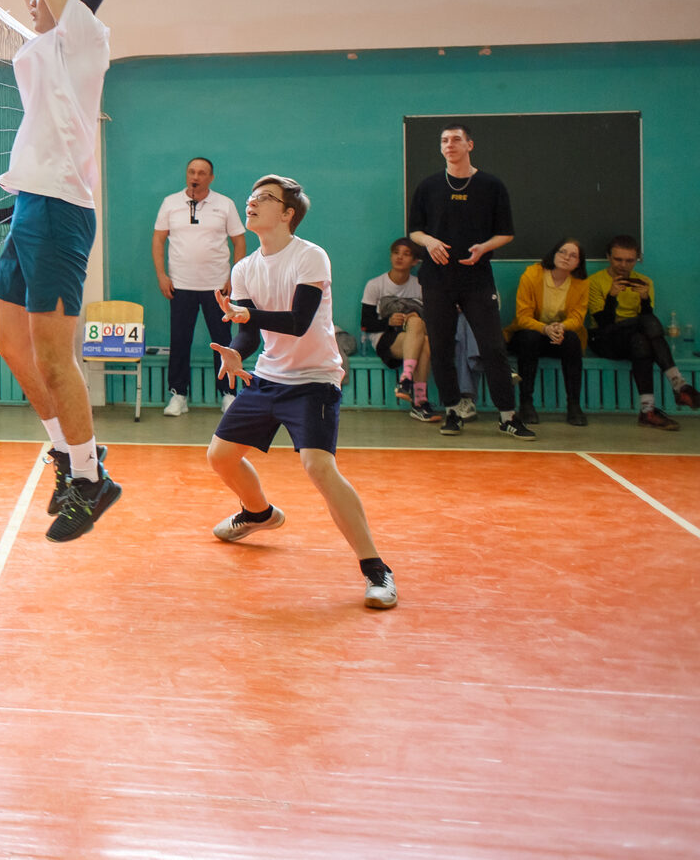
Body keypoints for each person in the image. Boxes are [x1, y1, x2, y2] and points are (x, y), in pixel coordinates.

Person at [0, 0, 120, 543]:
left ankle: (93, 479)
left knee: (51, 354)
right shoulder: (45, 38)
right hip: (30, 203)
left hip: (62, 209)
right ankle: (68, 457)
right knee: (12, 344)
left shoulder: (85, 36)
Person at [206, 175, 397, 610]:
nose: (251, 203)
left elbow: (298, 321)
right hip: (268, 375)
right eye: (251, 197)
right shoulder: (244, 268)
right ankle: (259, 514)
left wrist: (242, 315)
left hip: (314, 379)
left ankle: (376, 570)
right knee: (219, 456)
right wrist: (235, 353)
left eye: (264, 199)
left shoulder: (311, 257)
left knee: (318, 466)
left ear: (288, 213)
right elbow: (251, 334)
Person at [406, 122, 533, 439]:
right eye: (444, 140)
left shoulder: (491, 185)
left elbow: (506, 232)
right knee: (442, 347)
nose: (449, 144)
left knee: (492, 347)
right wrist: (430, 242)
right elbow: (415, 231)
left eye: (456, 140)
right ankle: (452, 412)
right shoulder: (428, 186)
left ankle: (507, 416)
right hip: (437, 280)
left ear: (469, 145)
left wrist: (484, 248)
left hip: (477, 279)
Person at [152, 156, 247, 416]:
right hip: (180, 285)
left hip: (217, 287)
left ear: (210, 178)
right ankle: (178, 395)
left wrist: (234, 277)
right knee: (180, 340)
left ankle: (228, 394)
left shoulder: (224, 205)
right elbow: (159, 240)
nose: (196, 177)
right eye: (192, 172)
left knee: (224, 342)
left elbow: (239, 242)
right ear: (187, 174)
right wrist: (162, 275)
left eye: (202, 173)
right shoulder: (170, 204)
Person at [586, 235, 699, 430]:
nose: (623, 265)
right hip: (604, 339)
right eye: (618, 259)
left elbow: (650, 325)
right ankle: (679, 384)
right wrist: (612, 296)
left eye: (629, 260)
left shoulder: (644, 282)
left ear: (637, 259)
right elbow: (604, 324)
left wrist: (644, 299)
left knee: (641, 341)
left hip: (632, 339)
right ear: (608, 257)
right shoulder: (594, 282)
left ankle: (647, 411)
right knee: (646, 325)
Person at [506, 238, 590, 427]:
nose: (566, 257)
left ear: (579, 262)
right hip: (531, 334)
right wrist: (545, 328)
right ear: (553, 254)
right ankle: (526, 404)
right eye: (562, 252)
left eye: (573, 255)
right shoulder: (532, 275)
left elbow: (578, 317)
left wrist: (561, 327)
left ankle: (574, 406)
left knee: (573, 340)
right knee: (530, 337)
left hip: (559, 335)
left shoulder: (581, 283)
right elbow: (523, 317)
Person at [360, 237, 439, 422]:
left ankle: (406, 381)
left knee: (419, 328)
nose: (399, 257)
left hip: (415, 336)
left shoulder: (420, 285)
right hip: (385, 338)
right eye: (396, 253)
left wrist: (414, 318)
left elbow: (433, 320)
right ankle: (419, 401)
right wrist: (389, 322)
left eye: (406, 254)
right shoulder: (375, 285)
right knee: (420, 332)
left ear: (414, 261)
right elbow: (365, 323)